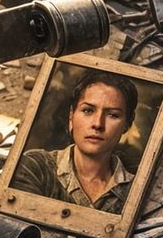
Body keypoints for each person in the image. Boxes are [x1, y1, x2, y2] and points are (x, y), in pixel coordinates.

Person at [13, 69, 141, 213]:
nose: (98, 124)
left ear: (127, 125)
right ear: (71, 117)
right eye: (88, 111)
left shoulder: (137, 189)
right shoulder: (35, 167)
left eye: (112, 115)